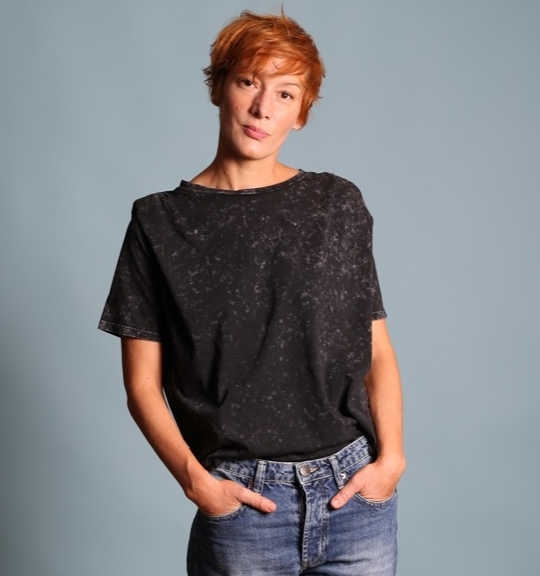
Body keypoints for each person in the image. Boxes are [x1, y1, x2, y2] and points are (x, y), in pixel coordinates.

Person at [99, 10, 405, 576]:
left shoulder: (337, 204)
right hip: (243, 507)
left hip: (356, 499)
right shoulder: (159, 222)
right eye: (248, 82)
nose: (263, 108)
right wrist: (198, 483)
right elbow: (141, 384)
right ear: (218, 88)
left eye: (285, 93)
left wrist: (392, 461)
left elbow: (377, 351)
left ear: (301, 112)